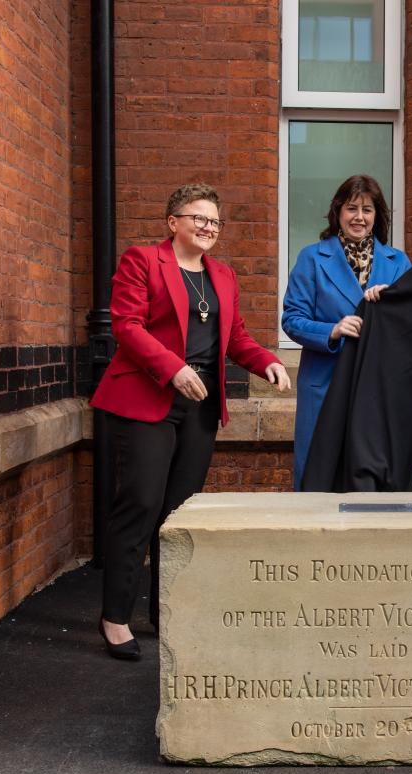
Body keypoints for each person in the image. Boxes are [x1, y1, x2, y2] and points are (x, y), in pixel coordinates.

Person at [90, 183, 291, 660]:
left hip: (199, 404)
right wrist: (173, 368)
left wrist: (265, 361)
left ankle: (168, 610)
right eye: (198, 218)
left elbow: (235, 336)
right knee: (140, 504)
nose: (208, 228)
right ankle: (115, 616)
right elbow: (127, 327)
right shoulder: (143, 262)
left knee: (179, 513)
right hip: (149, 397)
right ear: (173, 222)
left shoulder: (222, 276)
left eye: (215, 222)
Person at [282, 175, 412, 489]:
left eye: (367, 210)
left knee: (371, 477)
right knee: (319, 473)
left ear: (377, 216)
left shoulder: (398, 263)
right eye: (351, 208)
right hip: (325, 383)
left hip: (377, 385)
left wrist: (391, 305)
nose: (359, 217)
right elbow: (292, 319)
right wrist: (333, 330)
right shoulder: (312, 258)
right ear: (338, 211)